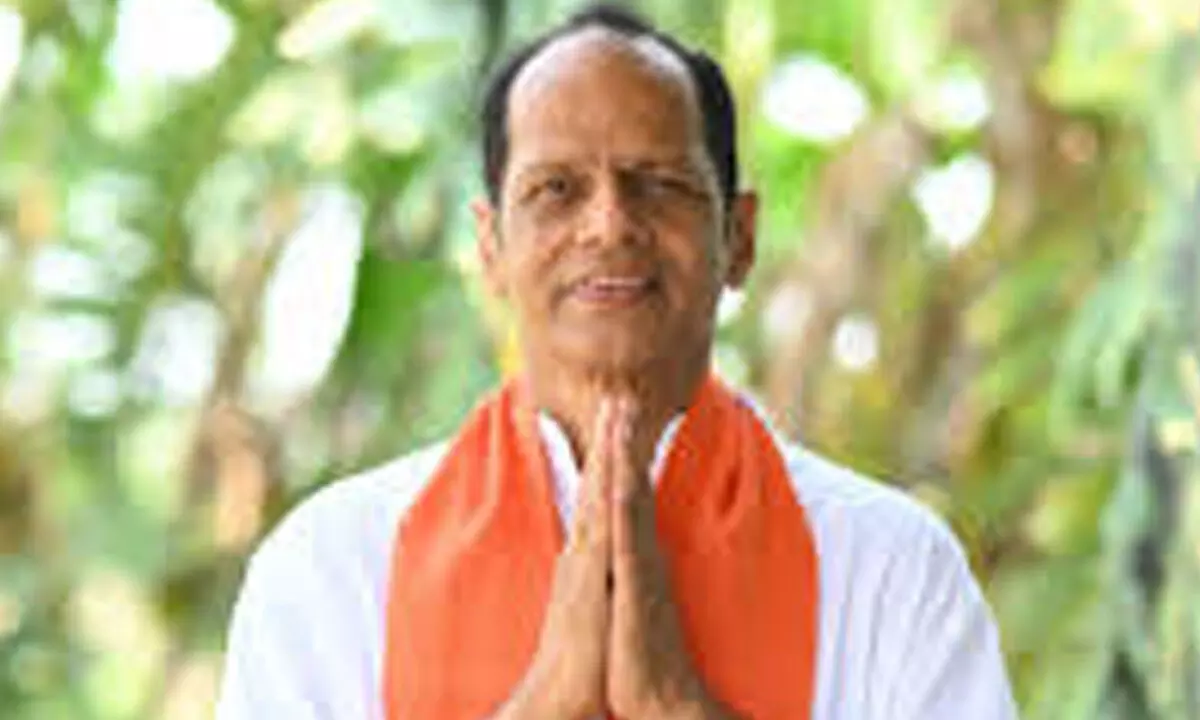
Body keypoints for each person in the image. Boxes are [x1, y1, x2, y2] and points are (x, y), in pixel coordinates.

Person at [216, 5, 1018, 719]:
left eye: (659, 184)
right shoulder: (334, 565)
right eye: (556, 190)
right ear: (491, 248)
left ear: (738, 237)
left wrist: (676, 705)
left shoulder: (887, 565)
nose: (609, 223)